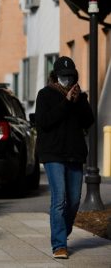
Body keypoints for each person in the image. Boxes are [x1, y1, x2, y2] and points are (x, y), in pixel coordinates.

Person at [35, 56, 94, 259]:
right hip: (53, 154)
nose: (67, 80)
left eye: (70, 76)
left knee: (75, 200)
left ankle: (62, 230)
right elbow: (44, 122)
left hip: (74, 154)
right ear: (55, 76)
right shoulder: (45, 94)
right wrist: (66, 103)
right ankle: (59, 244)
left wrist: (78, 101)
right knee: (59, 199)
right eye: (63, 76)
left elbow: (89, 120)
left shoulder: (80, 97)